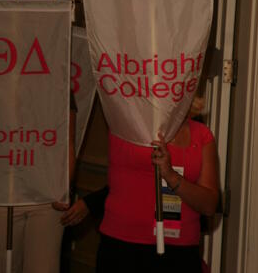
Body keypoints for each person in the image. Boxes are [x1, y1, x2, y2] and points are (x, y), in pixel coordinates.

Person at [63, 96, 219, 273]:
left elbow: (209, 205)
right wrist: (90, 203)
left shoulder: (201, 135)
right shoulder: (124, 126)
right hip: (122, 249)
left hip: (179, 252)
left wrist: (171, 176)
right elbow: (125, 185)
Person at [0, 101, 76, 273]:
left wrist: (63, 188)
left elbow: (67, 143)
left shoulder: (58, 83)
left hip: (47, 198)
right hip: (2, 194)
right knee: (2, 267)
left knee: (44, 267)